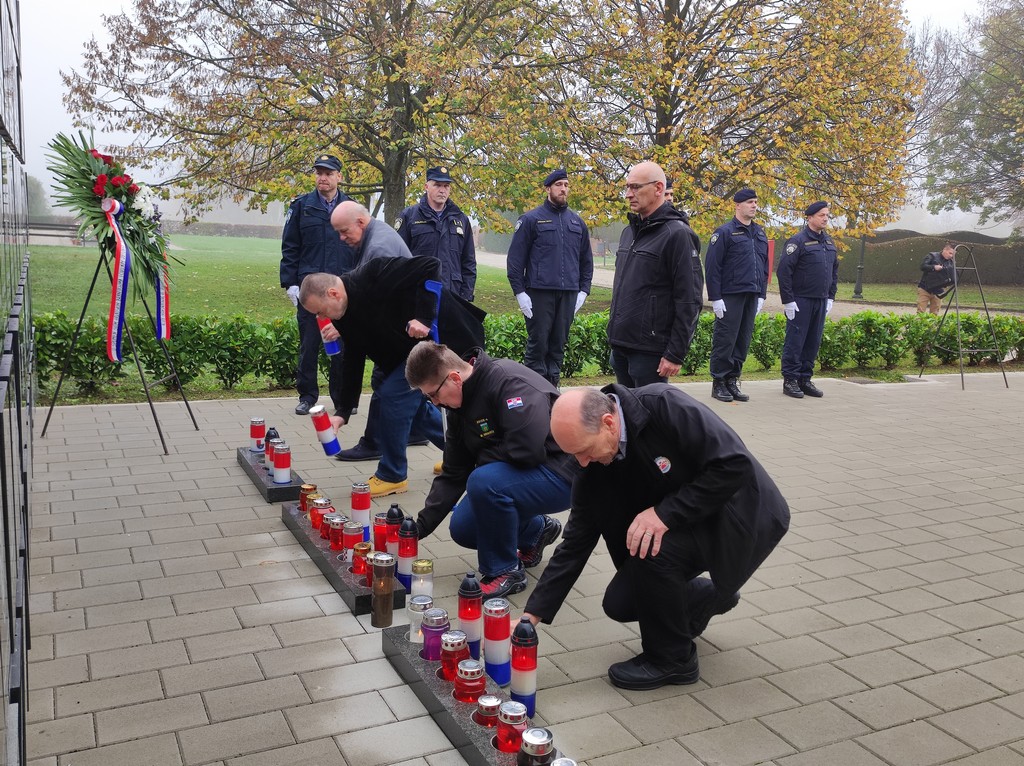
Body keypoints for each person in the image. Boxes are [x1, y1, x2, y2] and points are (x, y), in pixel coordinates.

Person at [523, 386, 789, 691]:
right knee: (620, 603)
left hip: (736, 513)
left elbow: (734, 464)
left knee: (652, 550)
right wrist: (532, 616)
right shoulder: (591, 466)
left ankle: (673, 660)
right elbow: (575, 543)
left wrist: (664, 514)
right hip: (685, 520)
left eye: (583, 450)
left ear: (608, 423)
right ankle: (702, 598)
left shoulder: (664, 406)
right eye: (573, 454)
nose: (581, 462)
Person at [299, 256, 486, 497]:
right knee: (415, 413)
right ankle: (464, 457)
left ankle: (392, 474)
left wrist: (424, 317)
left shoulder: (373, 274)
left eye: (320, 311)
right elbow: (353, 360)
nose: (321, 318)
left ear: (333, 293)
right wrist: (342, 413)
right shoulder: (343, 317)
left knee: (392, 396)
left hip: (444, 336)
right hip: (408, 353)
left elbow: (430, 265)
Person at [406, 342, 572, 597]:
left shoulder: (509, 383)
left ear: (454, 378)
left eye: (434, 394)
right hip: (522, 474)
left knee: (484, 481)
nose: (435, 403)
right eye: (429, 398)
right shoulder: (457, 406)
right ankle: (536, 531)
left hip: (562, 472)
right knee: (464, 527)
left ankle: (505, 571)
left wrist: (481, 460)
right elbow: (454, 472)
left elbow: (526, 450)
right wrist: (420, 527)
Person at [607, 161, 703, 387]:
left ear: (658, 188)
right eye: (627, 187)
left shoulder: (677, 234)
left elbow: (689, 298)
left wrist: (675, 353)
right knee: (625, 408)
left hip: (650, 352)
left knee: (650, 409)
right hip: (621, 346)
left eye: (636, 187)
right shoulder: (629, 232)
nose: (628, 194)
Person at [279, 154, 355, 416]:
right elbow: (290, 247)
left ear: (339, 177)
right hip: (310, 290)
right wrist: (290, 283)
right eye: (319, 173)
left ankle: (342, 399)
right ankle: (307, 396)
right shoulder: (302, 206)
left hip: (341, 289)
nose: (323, 178)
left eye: (328, 173)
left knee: (342, 347)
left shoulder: (350, 208)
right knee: (309, 346)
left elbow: (358, 247)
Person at [506, 169, 594, 387]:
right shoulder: (531, 220)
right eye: (558, 185)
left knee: (558, 347)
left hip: (568, 294)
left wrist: (584, 290)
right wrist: (520, 292)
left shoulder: (577, 223)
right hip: (539, 293)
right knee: (538, 346)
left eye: (566, 185)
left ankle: (553, 393)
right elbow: (515, 260)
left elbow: (586, 260)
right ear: (548, 189)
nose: (563, 189)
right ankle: (534, 393)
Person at [705, 189, 769, 403]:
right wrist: (716, 297)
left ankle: (732, 380)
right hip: (730, 295)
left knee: (742, 340)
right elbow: (713, 267)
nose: (754, 205)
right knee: (725, 339)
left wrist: (762, 294)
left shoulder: (759, 233)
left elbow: (764, 266)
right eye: (750, 202)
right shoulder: (725, 232)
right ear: (738, 205)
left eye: (756, 202)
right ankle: (719, 382)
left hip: (752, 294)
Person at [777, 201, 838, 399]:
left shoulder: (828, 242)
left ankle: (805, 379)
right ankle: (790, 380)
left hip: (820, 300)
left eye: (827, 215)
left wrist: (831, 296)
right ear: (810, 217)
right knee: (795, 341)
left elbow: (834, 271)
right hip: (801, 300)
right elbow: (784, 271)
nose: (825, 218)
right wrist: (788, 300)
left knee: (813, 341)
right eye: (821, 215)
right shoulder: (798, 241)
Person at [396, 166, 476, 301]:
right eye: (437, 185)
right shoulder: (409, 216)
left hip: (452, 295)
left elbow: (469, 262)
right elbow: (398, 259)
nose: (442, 190)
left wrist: (465, 296)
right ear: (426, 187)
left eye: (446, 186)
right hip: (418, 294)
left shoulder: (461, 219)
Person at [917, 241, 957, 314]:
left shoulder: (951, 262)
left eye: (953, 254)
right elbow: (922, 266)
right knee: (920, 312)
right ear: (944, 250)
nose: (951, 256)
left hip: (938, 291)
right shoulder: (932, 256)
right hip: (925, 288)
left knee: (935, 313)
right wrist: (934, 267)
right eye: (950, 253)